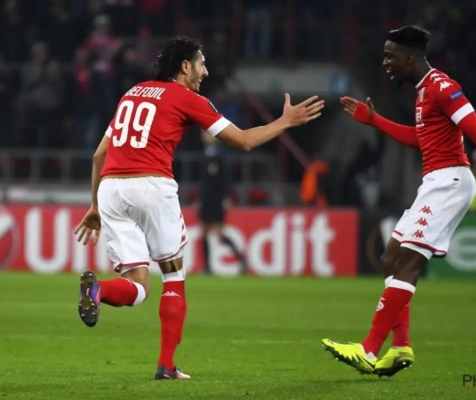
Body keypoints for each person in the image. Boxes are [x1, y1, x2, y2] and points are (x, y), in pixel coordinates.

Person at [73, 36, 324, 380]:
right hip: (151, 185)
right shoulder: (187, 98)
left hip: (111, 189)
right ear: (185, 66)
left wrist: (94, 205)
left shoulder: (132, 93)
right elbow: (244, 141)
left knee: (138, 287)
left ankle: (98, 289)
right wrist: (285, 122)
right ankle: (166, 366)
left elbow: (99, 154)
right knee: (173, 275)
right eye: (201, 64)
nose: (205, 72)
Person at [322, 25, 476, 377]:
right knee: (390, 258)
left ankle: (369, 349)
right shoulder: (423, 92)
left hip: (450, 181)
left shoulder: (442, 87)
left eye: (390, 56)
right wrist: (375, 121)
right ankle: (400, 347)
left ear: (410, 58)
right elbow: (421, 139)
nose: (385, 63)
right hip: (435, 180)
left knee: (408, 261)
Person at [198, 128, 247, 274]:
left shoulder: (222, 155)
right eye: (204, 133)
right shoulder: (204, 155)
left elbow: (227, 178)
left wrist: (227, 196)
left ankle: (241, 259)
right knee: (203, 233)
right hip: (206, 199)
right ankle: (207, 268)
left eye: (208, 133)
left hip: (217, 198)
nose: (205, 136)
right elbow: (203, 182)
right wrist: (199, 199)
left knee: (219, 233)